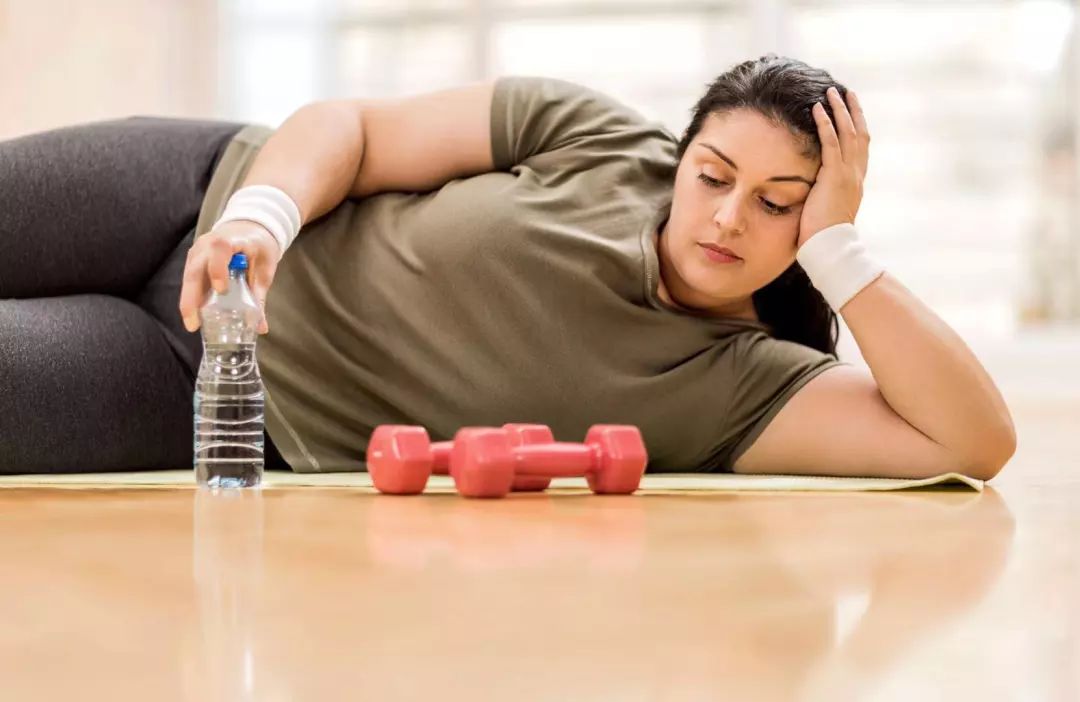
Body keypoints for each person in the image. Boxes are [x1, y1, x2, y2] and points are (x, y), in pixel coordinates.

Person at [0, 55, 1015, 479]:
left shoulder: (744, 387)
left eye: (779, 205)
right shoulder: (597, 140)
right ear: (679, 153)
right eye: (712, 174)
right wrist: (264, 214)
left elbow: (973, 441)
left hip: (211, 394)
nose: (727, 216)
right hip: (200, 189)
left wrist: (841, 249)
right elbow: (350, 127)